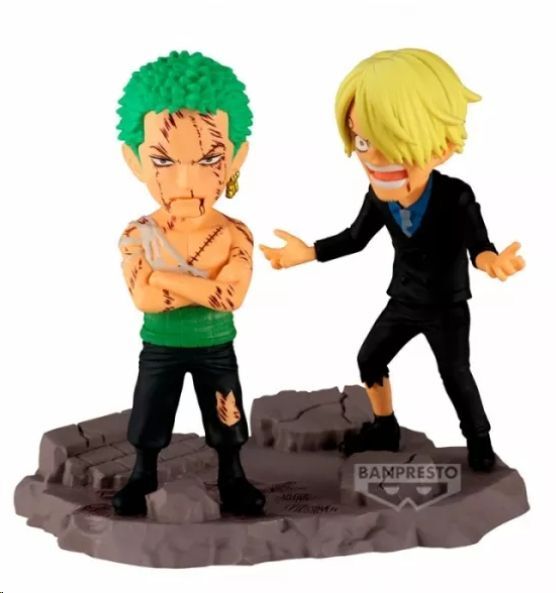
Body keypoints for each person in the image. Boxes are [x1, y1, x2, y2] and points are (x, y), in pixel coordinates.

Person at [260, 48, 525, 472]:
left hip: (445, 306)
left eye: (391, 143)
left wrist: (490, 261)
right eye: (363, 141)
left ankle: (479, 439)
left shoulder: (455, 195)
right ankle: (385, 427)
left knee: (455, 374)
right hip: (403, 300)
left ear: (442, 145)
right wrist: (308, 252)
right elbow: (355, 238)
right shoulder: (378, 198)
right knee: (369, 358)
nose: (373, 158)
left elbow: (479, 244)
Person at [112, 50, 265, 516]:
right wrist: (199, 287)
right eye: (163, 160)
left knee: (227, 414)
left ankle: (232, 477)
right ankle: (142, 474)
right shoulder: (137, 233)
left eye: (209, 159)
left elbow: (231, 296)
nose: (187, 182)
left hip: (216, 346)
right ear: (134, 161)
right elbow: (145, 298)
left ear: (236, 159)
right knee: (150, 411)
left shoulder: (235, 233)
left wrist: (164, 277)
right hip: (160, 346)